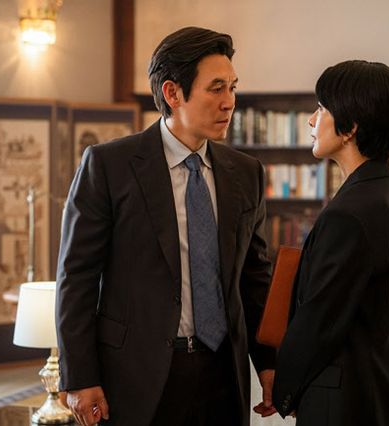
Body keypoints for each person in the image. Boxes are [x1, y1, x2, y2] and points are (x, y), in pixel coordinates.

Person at [55, 27, 275, 426]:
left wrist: (269, 363)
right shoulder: (109, 166)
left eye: (232, 87)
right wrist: (80, 377)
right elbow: (77, 277)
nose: (229, 101)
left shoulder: (247, 173)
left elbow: (255, 277)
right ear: (172, 93)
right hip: (136, 373)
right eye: (216, 88)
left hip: (223, 371)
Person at [272, 60, 389, 425]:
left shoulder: (349, 213)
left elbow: (320, 319)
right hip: (376, 385)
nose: (311, 120)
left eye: (321, 109)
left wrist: (282, 387)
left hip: (341, 398)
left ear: (350, 127)